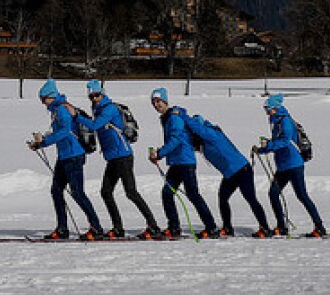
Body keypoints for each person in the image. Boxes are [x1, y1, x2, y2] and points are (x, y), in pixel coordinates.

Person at [76, 80, 161, 240]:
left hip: (123, 156)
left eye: (97, 95)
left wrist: (76, 116)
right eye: (91, 96)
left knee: (131, 192)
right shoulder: (98, 108)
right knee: (106, 192)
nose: (94, 98)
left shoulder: (109, 109)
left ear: (102, 93)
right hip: (113, 158)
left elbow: (95, 126)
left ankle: (153, 226)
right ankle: (118, 228)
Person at [29, 79, 103, 240]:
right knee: (56, 191)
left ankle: (96, 227)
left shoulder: (62, 109)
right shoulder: (56, 109)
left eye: (43, 99)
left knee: (77, 192)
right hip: (64, 156)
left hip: (74, 156)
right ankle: (62, 228)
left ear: (51, 96)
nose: (42, 102)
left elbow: (65, 132)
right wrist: (41, 142)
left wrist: (45, 142)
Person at [182, 112, 272, 238]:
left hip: (242, 170)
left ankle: (265, 228)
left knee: (251, 199)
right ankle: (227, 228)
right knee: (223, 197)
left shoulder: (212, 133)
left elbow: (198, 129)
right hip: (231, 173)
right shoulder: (205, 141)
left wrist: (182, 116)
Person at [148, 87, 219, 239]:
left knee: (193, 195)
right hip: (176, 162)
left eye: (159, 101)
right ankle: (174, 227)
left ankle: (211, 227)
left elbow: (176, 140)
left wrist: (160, 153)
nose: (156, 105)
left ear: (165, 101)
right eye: (154, 102)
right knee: (167, 193)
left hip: (185, 161)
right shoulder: (167, 118)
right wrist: (160, 152)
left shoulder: (174, 118)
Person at [253, 93, 327, 238]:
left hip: (293, 164)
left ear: (275, 108)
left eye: (268, 108)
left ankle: (319, 227)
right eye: (265, 109)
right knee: (273, 193)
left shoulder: (285, 121)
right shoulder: (276, 121)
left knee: (302, 195)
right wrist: (262, 149)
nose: (266, 112)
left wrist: (269, 145)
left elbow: (285, 141)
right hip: (283, 166)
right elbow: (278, 142)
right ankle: (281, 227)